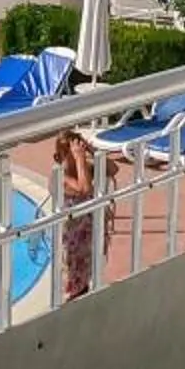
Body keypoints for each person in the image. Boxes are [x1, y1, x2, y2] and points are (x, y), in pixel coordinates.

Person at [54, 128, 105, 300]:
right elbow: (84, 189)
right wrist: (80, 160)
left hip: (85, 234)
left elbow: (113, 169)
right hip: (70, 238)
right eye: (72, 151)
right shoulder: (59, 176)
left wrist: (92, 150)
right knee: (70, 280)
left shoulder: (84, 169)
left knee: (84, 278)